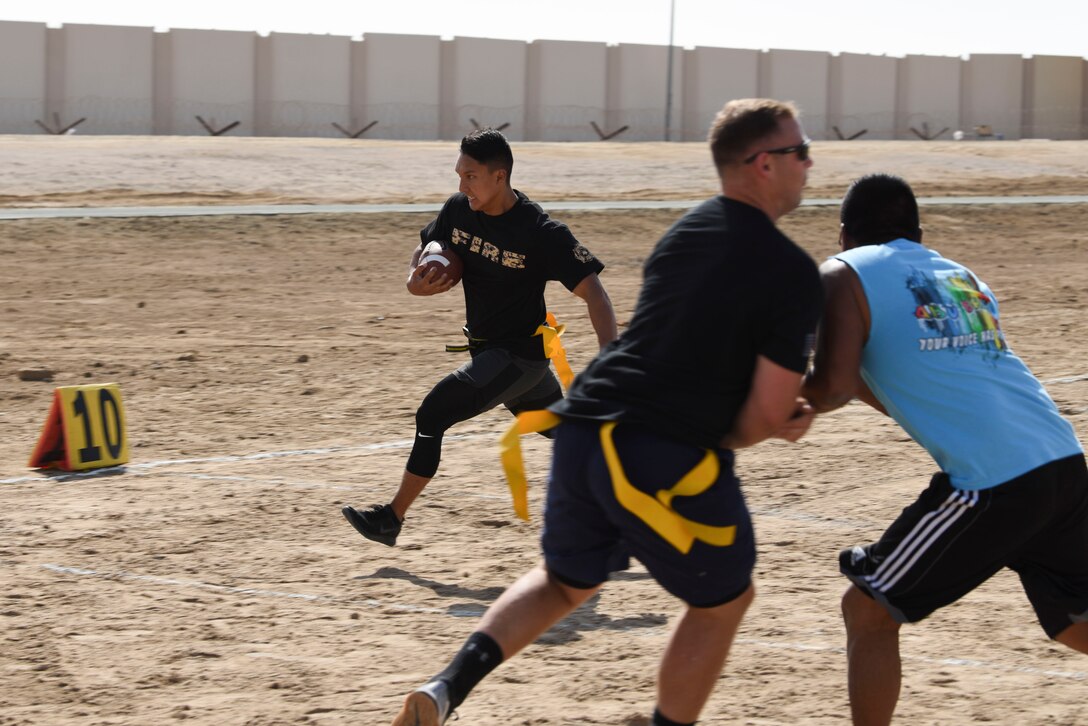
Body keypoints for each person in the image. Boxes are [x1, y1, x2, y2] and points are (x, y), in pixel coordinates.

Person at [391, 98, 822, 726]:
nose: (809, 163)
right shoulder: (791, 271)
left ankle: (444, 689)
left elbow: (649, 335)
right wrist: (783, 419)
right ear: (762, 164)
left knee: (565, 582)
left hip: (586, 421)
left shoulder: (685, 233)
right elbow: (758, 418)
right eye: (800, 151)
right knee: (727, 598)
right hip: (659, 446)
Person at [802, 173, 1088, 726]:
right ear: (917, 232)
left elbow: (831, 387)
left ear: (842, 236)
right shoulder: (960, 276)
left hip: (994, 482)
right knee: (1073, 621)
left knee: (868, 610)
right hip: (1063, 464)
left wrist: (767, 397)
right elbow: (895, 379)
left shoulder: (842, 273)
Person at [342, 128, 618, 547]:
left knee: (433, 414)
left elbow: (594, 293)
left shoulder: (540, 232)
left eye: (470, 176)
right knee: (563, 431)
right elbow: (430, 243)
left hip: (518, 358)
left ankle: (391, 518)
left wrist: (609, 360)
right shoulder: (459, 209)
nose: (461, 184)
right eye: (459, 174)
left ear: (499, 177)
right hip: (495, 352)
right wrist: (414, 279)